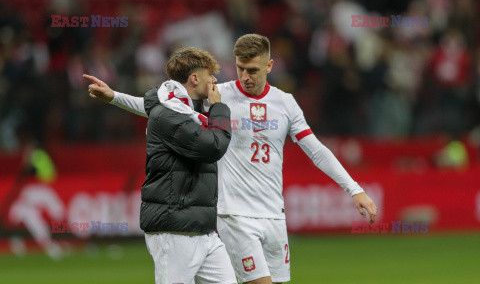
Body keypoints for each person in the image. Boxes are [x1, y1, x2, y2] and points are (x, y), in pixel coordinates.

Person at [84, 34, 378, 284]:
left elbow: (315, 149)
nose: (245, 77)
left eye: (253, 70)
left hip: (274, 214)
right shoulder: (217, 95)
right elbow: (165, 111)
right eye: (240, 69)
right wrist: (114, 97)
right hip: (233, 215)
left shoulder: (285, 103)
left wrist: (355, 189)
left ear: (270, 66)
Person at [87, 48, 237, 284]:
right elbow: (214, 146)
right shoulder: (169, 116)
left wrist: (114, 96)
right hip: (174, 228)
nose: (215, 80)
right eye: (210, 74)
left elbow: (145, 106)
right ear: (195, 78)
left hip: (203, 228)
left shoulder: (182, 108)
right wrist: (219, 108)